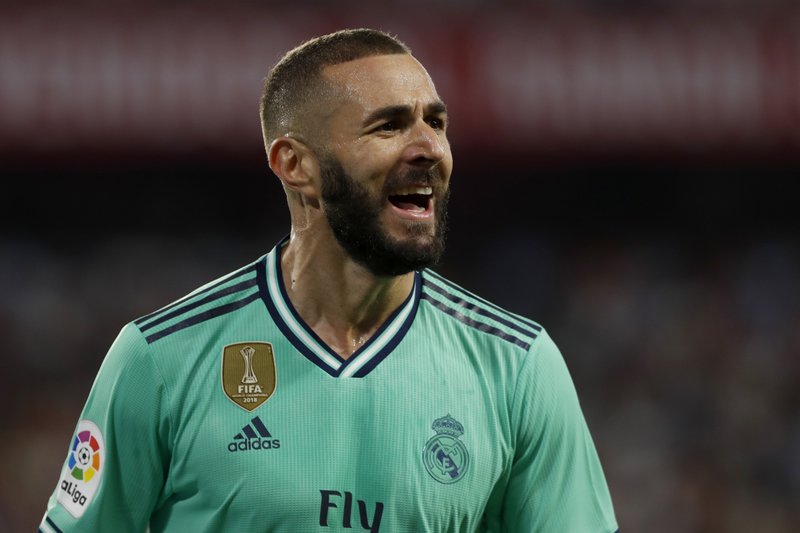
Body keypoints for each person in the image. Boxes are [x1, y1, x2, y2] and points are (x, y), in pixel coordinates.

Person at [40, 28, 618, 532]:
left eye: (436, 123)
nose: (429, 148)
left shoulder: (517, 368)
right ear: (296, 165)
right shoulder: (161, 360)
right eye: (389, 127)